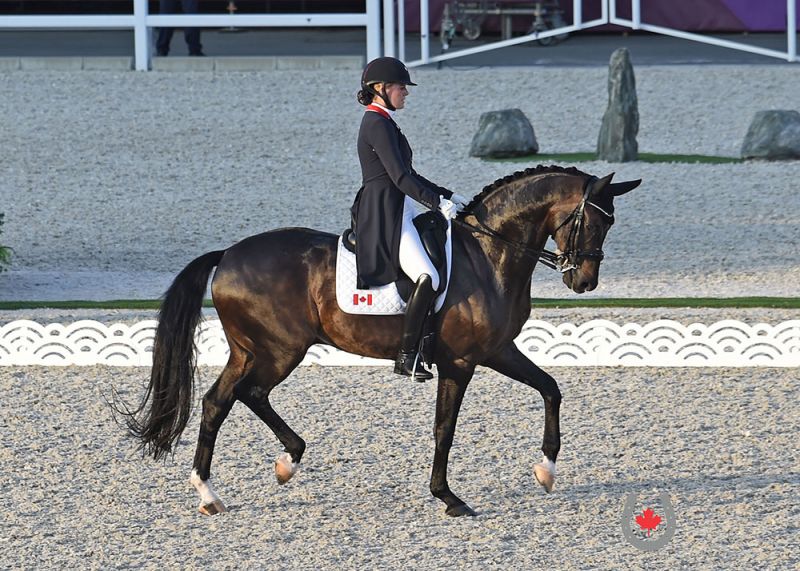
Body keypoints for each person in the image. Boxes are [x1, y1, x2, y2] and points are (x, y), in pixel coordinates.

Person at [350, 56, 469, 381]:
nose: (406, 92)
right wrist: (435, 204)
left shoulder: (385, 120)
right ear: (380, 89)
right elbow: (401, 178)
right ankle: (406, 357)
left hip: (398, 206)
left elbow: (410, 174)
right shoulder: (376, 123)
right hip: (385, 213)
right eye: (401, 86)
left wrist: (446, 195)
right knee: (428, 276)